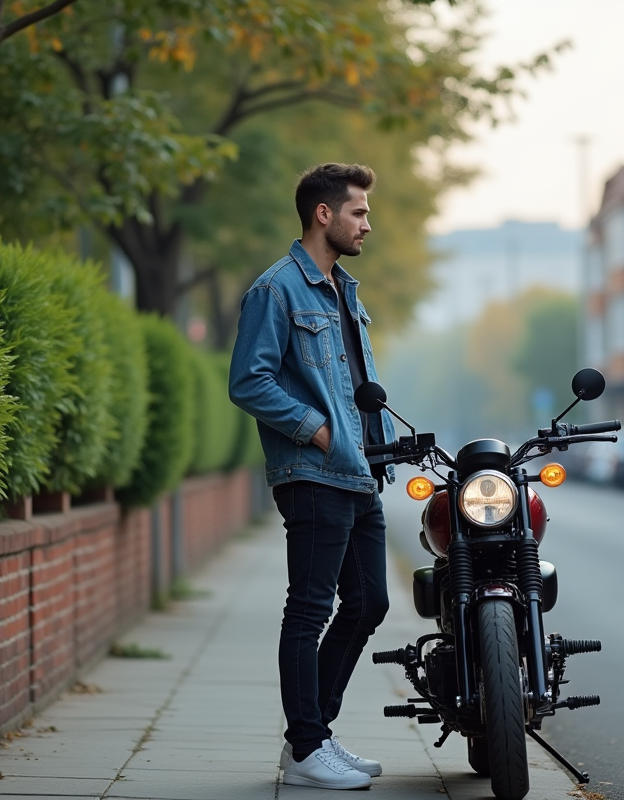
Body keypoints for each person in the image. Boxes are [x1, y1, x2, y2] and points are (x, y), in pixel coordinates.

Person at [228, 162, 396, 790]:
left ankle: (312, 738)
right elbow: (249, 381)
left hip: (357, 474)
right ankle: (305, 748)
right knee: (309, 610)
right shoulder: (276, 290)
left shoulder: (344, 291)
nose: (367, 225)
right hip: (313, 471)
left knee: (371, 602)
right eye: (359, 212)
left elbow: (353, 386)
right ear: (323, 214)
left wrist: (374, 442)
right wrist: (317, 429)